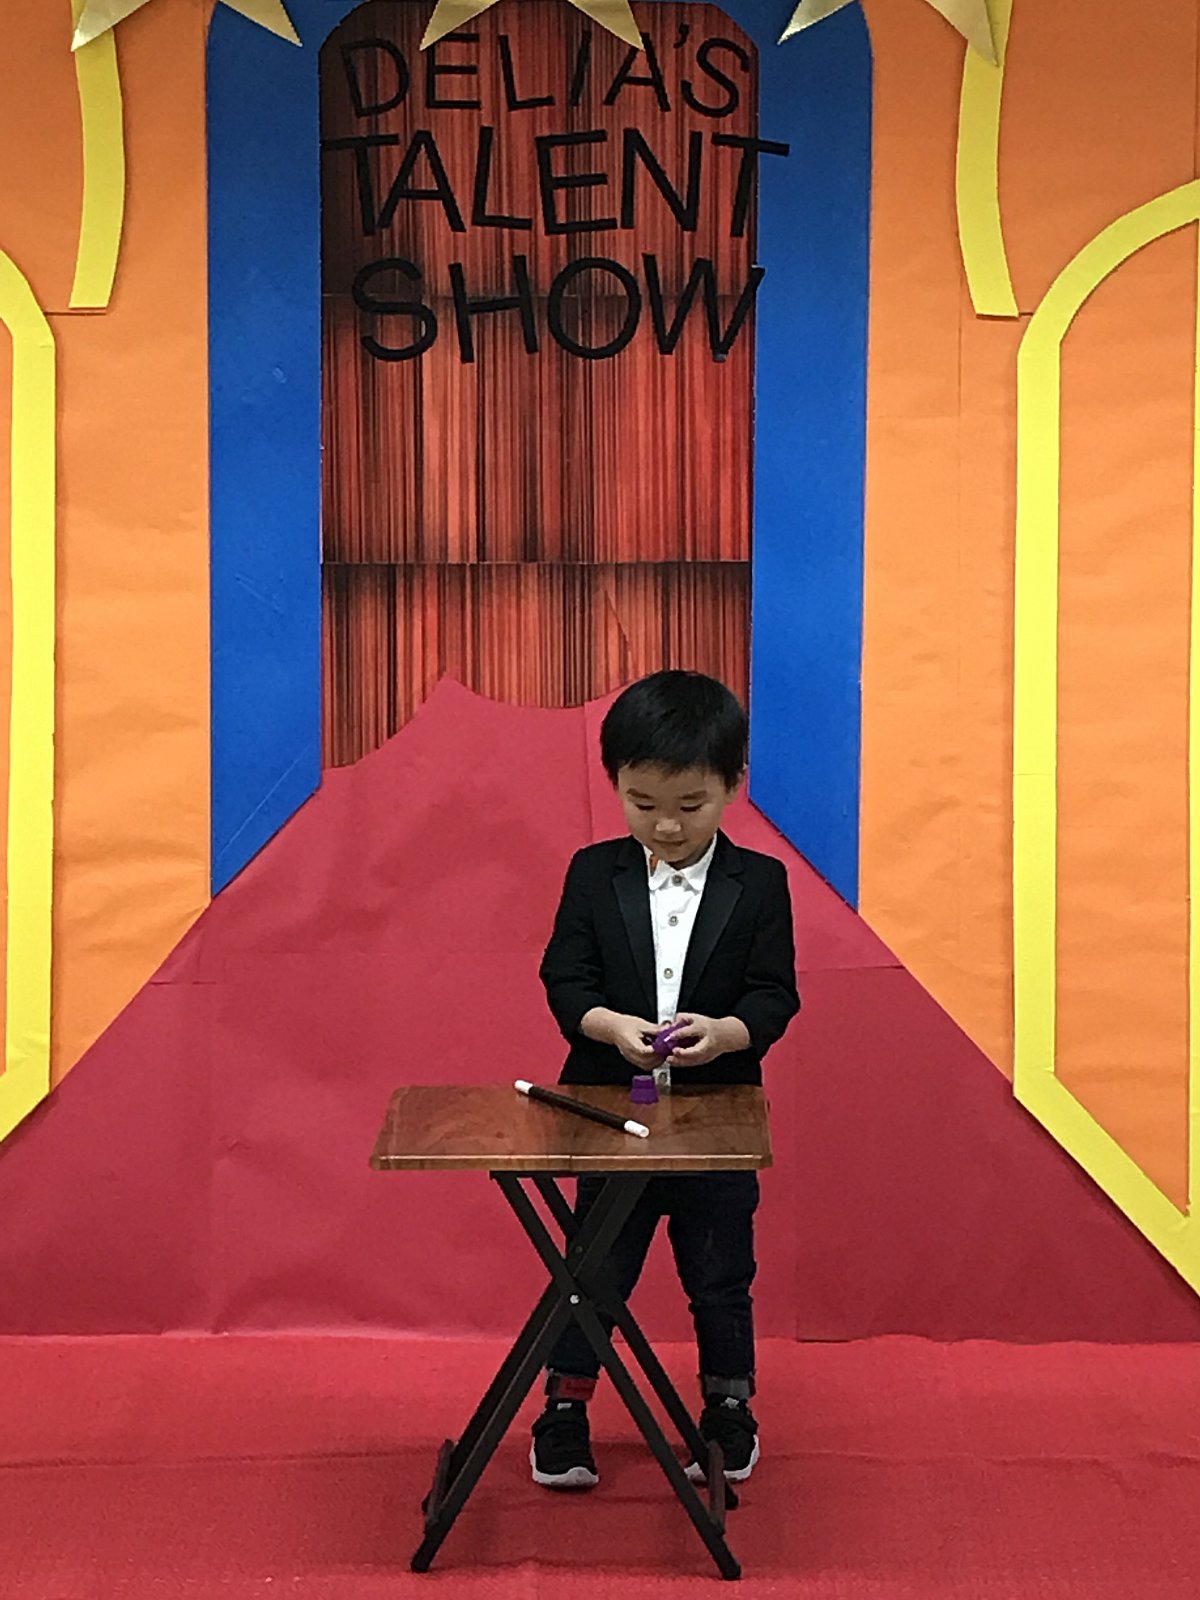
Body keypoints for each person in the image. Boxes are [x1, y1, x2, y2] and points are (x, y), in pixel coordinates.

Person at [531, 670, 800, 1491]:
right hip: (613, 1108)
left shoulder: (761, 883)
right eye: (643, 803)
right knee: (593, 1269)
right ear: (613, 782)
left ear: (733, 784)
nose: (668, 824)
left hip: (719, 1114)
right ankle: (565, 1408)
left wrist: (726, 1036)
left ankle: (728, 1406)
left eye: (691, 804)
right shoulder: (591, 873)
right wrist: (611, 1027)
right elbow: (564, 979)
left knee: (721, 1272)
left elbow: (775, 994)